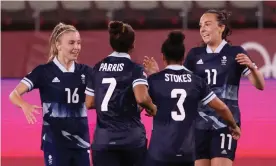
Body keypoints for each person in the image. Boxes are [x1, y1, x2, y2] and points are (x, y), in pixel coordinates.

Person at [143, 10, 265, 166]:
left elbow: (260, 85)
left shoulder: (236, 53)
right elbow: (180, 82)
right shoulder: (195, 55)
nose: (202, 29)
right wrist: (156, 75)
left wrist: (252, 67)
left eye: (207, 24)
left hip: (224, 123)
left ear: (221, 27)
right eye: (201, 25)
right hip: (197, 124)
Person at [144, 31, 241, 166]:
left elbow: (144, 102)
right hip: (187, 152)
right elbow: (221, 107)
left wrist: (153, 75)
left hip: (160, 152)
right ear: (183, 57)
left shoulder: (155, 81)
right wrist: (233, 125)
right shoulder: (197, 82)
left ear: (163, 56)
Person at [9, 23, 92, 166]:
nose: (77, 47)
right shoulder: (43, 72)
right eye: (71, 43)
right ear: (58, 45)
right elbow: (14, 94)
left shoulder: (86, 71)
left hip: (81, 143)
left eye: (79, 43)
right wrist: (24, 105)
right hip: (54, 143)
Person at [85, 21, 157, 166]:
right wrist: (152, 108)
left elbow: (90, 102)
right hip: (131, 140)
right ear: (132, 45)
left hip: (104, 140)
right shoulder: (134, 69)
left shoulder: (98, 68)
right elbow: (142, 98)